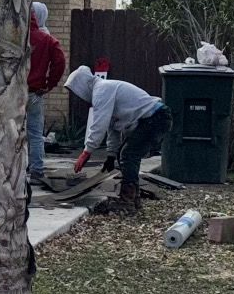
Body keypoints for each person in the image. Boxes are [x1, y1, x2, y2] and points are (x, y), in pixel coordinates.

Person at [64, 65, 169, 205]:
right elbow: (113, 128)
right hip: (154, 118)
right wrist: (111, 156)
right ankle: (133, 196)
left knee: (129, 154)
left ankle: (128, 199)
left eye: (77, 90)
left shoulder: (102, 91)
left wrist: (86, 152)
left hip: (156, 117)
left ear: (83, 85)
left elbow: (98, 125)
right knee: (125, 154)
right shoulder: (104, 91)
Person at [26, 1, 67, 183]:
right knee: (35, 134)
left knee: (10, 131)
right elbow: (60, 61)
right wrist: (49, 84)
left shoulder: (16, 36)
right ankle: (36, 171)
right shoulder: (46, 39)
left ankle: (10, 171)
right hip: (34, 93)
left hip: (11, 94)